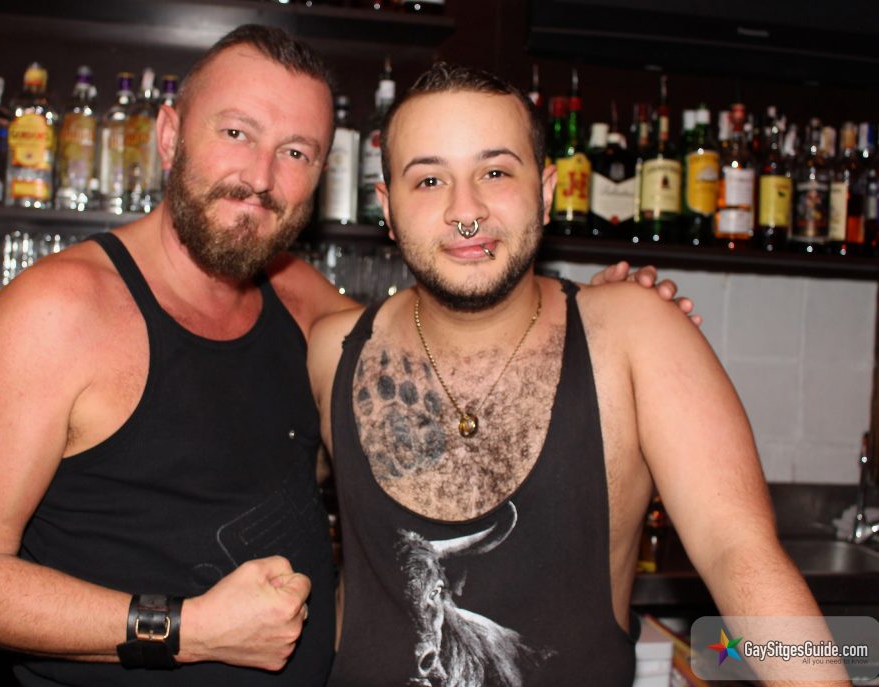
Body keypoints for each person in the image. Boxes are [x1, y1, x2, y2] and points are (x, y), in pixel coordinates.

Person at [0, 26, 693, 687]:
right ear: (169, 134)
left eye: (295, 151)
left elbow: (448, 334)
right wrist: (188, 628)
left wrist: (597, 315)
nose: (260, 177)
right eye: (236, 133)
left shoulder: (297, 300)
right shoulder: (59, 311)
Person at [307, 63, 847, 686]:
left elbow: (739, 555)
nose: (465, 211)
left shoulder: (634, 333)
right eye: (429, 179)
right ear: (388, 207)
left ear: (546, 192)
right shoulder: (330, 352)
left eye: (495, 172)